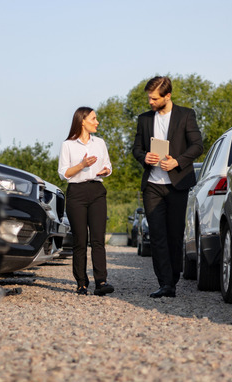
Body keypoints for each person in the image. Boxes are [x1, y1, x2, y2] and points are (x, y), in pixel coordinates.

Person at [132, 76, 203, 298]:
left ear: (167, 96)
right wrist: (146, 157)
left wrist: (178, 161)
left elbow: (197, 146)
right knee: (157, 234)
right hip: (152, 185)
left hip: (177, 185)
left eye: (154, 98)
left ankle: (173, 278)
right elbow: (136, 149)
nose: (150, 102)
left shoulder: (186, 115)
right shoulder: (144, 119)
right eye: (149, 98)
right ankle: (165, 283)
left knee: (174, 234)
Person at [58, 107, 115, 296]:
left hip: (97, 190)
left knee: (98, 240)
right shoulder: (68, 145)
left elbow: (108, 165)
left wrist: (106, 170)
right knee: (80, 241)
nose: (97, 122)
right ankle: (81, 283)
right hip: (77, 192)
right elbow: (64, 173)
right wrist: (82, 165)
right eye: (94, 118)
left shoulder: (100, 143)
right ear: (83, 121)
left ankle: (101, 281)